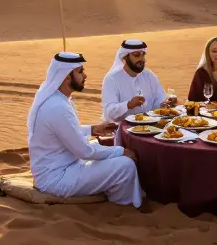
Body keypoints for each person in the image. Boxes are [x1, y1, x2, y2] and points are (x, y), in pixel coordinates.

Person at [27, 52, 142, 205]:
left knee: (108, 152)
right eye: (80, 71)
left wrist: (92, 130)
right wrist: (122, 151)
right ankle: (123, 205)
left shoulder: (58, 100)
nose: (85, 75)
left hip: (66, 166)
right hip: (57, 178)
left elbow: (64, 132)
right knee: (125, 165)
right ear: (67, 76)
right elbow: (84, 151)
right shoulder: (57, 107)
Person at [100, 39, 176, 125]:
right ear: (125, 56)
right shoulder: (112, 79)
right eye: (136, 55)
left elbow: (159, 100)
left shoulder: (149, 75)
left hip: (151, 127)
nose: (142, 59)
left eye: (143, 55)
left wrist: (165, 104)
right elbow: (109, 113)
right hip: (122, 130)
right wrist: (128, 105)